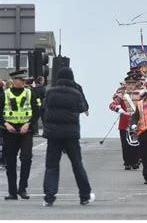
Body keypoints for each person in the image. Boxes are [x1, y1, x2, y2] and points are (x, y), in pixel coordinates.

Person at [42, 67, 94, 206]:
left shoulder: (50, 92)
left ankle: (49, 196)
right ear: (71, 78)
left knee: (52, 166)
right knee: (77, 164)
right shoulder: (75, 93)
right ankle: (84, 195)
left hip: (53, 134)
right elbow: (82, 108)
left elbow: (44, 106)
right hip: (71, 134)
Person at [1, 70, 41, 200]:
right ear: (14, 80)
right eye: (21, 79)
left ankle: (22, 188)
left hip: (25, 131)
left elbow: (36, 112)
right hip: (9, 132)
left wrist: (28, 124)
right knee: (10, 162)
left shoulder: (30, 93)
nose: (24, 82)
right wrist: (5, 124)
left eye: (25, 80)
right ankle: (12, 192)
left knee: (26, 158)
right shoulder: (4, 94)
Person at [108, 73, 143, 170]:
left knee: (135, 142)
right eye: (129, 84)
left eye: (132, 84)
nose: (131, 86)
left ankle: (135, 161)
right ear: (126, 85)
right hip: (124, 123)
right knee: (125, 143)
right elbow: (112, 105)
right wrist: (119, 110)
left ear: (136, 84)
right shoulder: (121, 95)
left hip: (136, 123)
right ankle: (127, 162)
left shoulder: (141, 94)